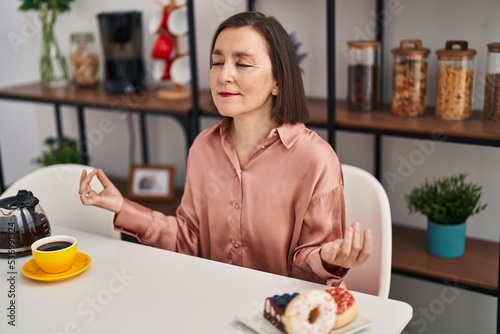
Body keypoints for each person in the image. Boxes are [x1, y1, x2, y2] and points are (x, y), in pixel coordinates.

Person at [79, 11, 372, 287]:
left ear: (278, 82)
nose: (223, 75)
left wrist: (326, 259)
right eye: (217, 62)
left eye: (242, 64)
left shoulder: (316, 160)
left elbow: (307, 272)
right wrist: (122, 207)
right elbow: (189, 240)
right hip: (214, 301)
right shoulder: (203, 148)